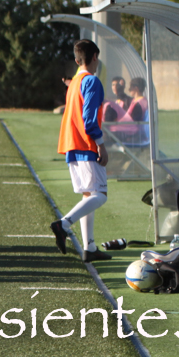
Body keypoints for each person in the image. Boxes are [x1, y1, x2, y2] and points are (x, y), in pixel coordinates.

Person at [50, 39, 111, 263]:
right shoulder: (92, 81)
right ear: (95, 57)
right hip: (86, 145)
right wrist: (101, 144)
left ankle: (90, 248)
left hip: (71, 145)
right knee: (100, 195)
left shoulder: (75, 82)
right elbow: (89, 120)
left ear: (77, 61)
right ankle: (63, 224)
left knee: (89, 195)